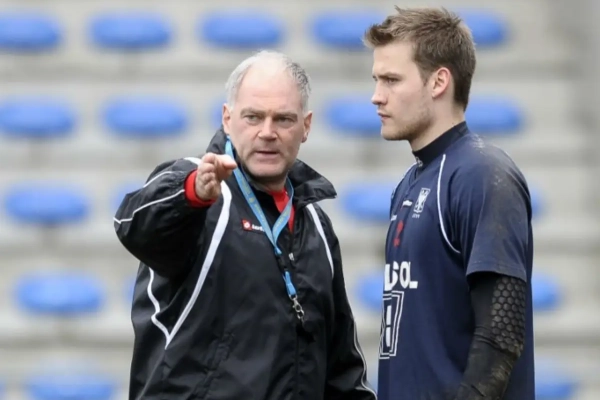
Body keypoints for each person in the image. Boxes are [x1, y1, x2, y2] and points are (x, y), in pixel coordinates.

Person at [113, 50, 377, 400]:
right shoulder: (198, 192)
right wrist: (194, 193)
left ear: (306, 126)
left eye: (283, 119)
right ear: (227, 118)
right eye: (253, 117)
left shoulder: (316, 225)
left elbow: (342, 369)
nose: (267, 132)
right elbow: (134, 223)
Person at [363, 7, 535, 400]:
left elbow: (501, 334)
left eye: (391, 80)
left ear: (439, 81)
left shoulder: (482, 174)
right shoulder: (409, 184)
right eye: (376, 80)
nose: (376, 96)